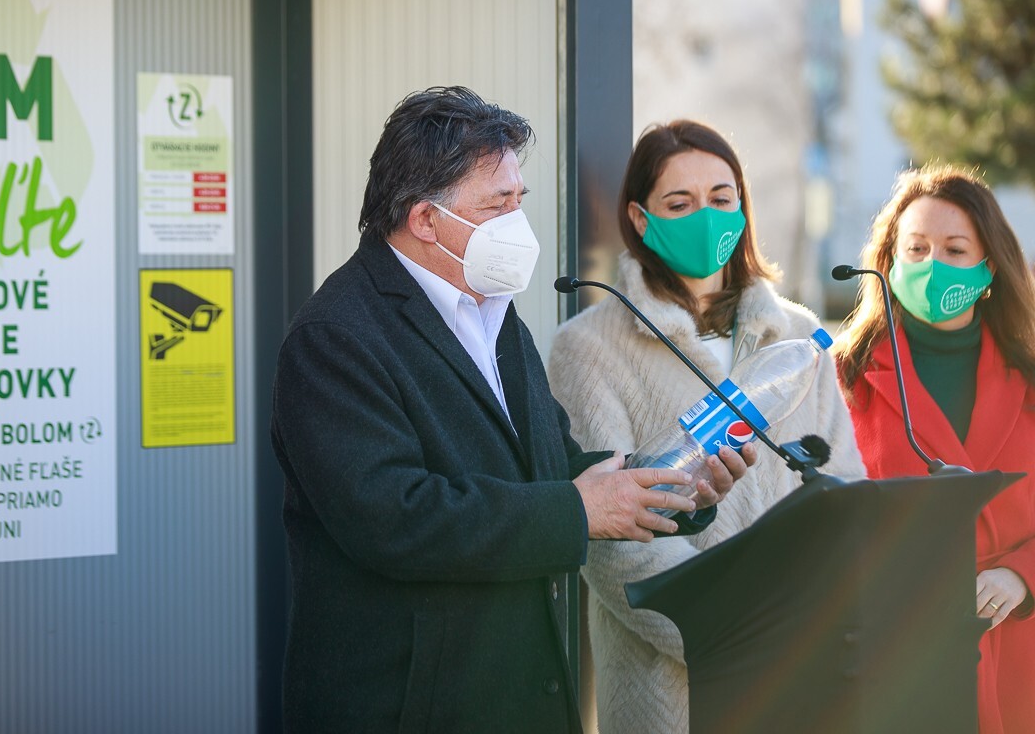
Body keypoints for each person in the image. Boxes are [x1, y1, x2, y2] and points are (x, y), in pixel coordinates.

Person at [270, 88, 753, 733]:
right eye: (496, 206)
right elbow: (393, 518)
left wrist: (674, 480)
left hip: (520, 695)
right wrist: (578, 510)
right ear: (425, 219)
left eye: (518, 200)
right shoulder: (334, 336)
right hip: (405, 708)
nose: (516, 223)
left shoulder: (493, 310)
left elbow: (552, 463)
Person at [548, 119, 865, 734]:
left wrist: (816, 624)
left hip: (804, 671)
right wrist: (737, 635)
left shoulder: (800, 336)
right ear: (640, 219)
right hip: (673, 691)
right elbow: (610, 542)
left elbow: (845, 489)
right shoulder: (587, 349)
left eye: (722, 199)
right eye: (680, 203)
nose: (707, 217)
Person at [833, 164, 1035, 734]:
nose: (932, 264)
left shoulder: (1030, 379)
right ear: (889, 261)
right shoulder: (842, 377)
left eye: (954, 249)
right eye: (916, 249)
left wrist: (1022, 576)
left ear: (989, 266)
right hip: (889, 655)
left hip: (1016, 658)